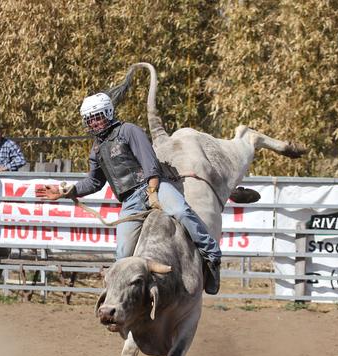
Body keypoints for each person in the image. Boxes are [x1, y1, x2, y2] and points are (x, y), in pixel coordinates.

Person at [35, 93, 228, 294]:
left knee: (181, 211)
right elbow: (94, 181)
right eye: (89, 119)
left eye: (97, 116)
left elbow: (150, 163)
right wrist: (65, 191)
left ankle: (212, 256)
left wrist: (152, 190)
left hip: (153, 186)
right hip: (130, 202)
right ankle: (127, 296)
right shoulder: (97, 150)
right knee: (122, 252)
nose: (94, 123)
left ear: (108, 113)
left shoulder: (128, 131)